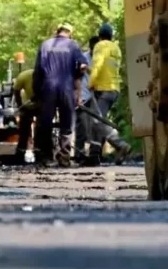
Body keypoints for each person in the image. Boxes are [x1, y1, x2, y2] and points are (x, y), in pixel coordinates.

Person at [32, 22, 88, 167]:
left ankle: (46, 157)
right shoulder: (73, 45)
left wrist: (37, 92)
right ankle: (64, 157)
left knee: (45, 124)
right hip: (66, 88)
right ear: (70, 33)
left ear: (57, 31)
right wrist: (77, 89)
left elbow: (37, 72)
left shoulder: (45, 45)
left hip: (48, 88)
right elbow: (82, 66)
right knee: (67, 123)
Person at [89, 22, 132, 165]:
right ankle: (94, 155)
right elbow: (110, 68)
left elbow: (98, 64)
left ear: (100, 36)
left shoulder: (100, 46)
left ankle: (120, 144)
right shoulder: (116, 48)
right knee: (96, 121)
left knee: (97, 120)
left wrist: (91, 82)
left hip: (103, 88)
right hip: (114, 88)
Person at [75, 35, 104, 166]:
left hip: (98, 94)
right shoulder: (83, 57)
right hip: (84, 94)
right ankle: (79, 154)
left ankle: (96, 154)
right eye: (94, 48)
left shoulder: (103, 58)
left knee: (97, 125)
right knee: (81, 125)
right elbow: (78, 77)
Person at [13, 67, 38, 160]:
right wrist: (20, 106)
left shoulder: (46, 76)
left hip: (42, 105)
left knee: (41, 129)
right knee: (24, 130)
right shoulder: (24, 76)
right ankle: (20, 152)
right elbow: (16, 91)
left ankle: (40, 152)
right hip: (26, 104)